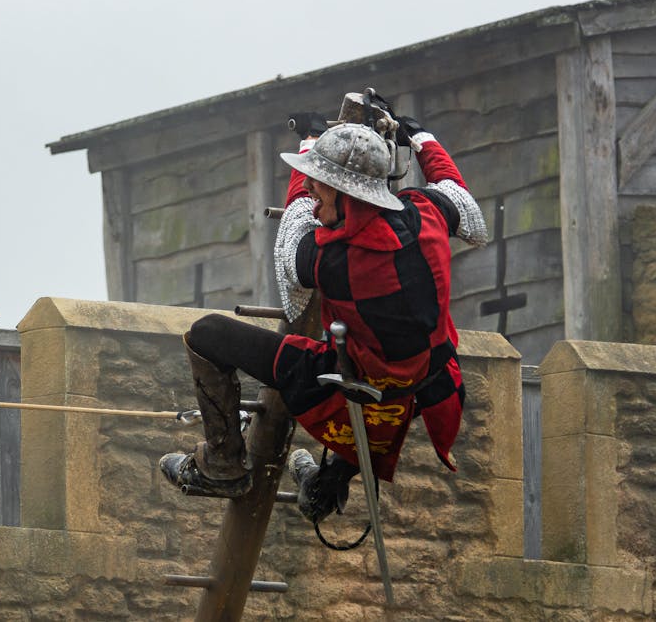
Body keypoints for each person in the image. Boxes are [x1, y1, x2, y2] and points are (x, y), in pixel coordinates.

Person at [159, 99, 487, 524]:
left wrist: (311, 141)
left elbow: (293, 250)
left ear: (343, 191)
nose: (314, 201)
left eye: (321, 189)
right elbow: (465, 206)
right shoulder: (426, 213)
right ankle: (322, 491)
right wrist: (421, 137)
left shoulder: (337, 259)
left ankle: (221, 466)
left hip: (358, 379)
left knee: (207, 334)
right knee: (371, 406)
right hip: (429, 378)